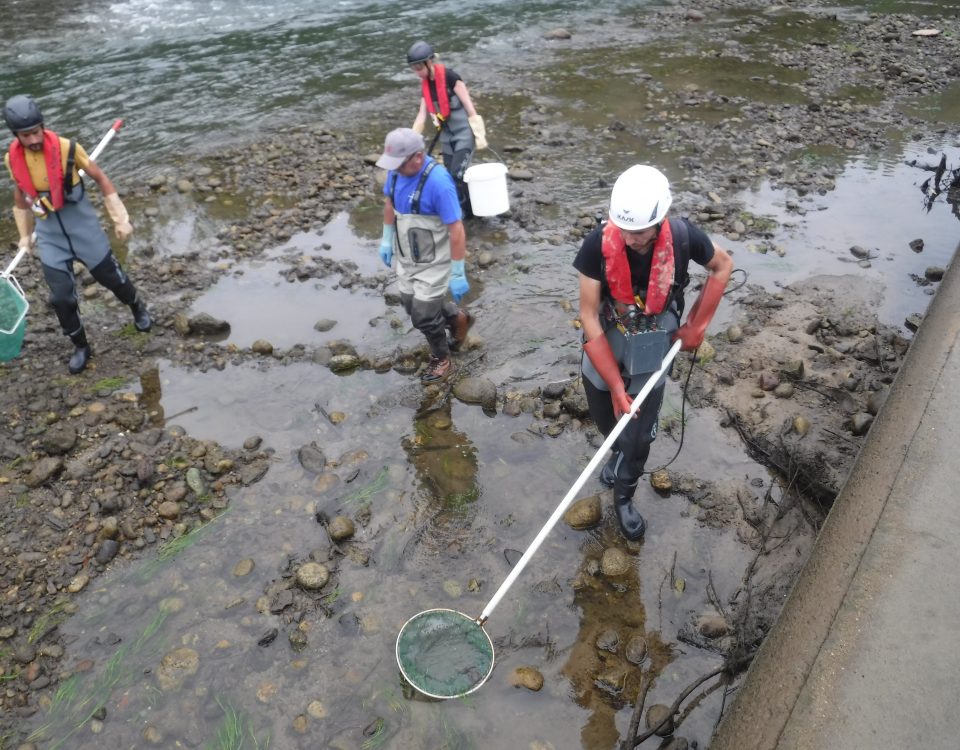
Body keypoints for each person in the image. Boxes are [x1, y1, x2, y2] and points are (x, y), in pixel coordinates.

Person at [574, 165, 733, 540]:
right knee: (603, 410)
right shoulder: (597, 244)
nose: (630, 239)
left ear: (660, 219)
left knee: (640, 434)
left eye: (640, 232)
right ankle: (616, 450)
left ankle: (624, 495)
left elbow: (722, 266)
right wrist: (614, 385)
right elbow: (587, 315)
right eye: (624, 231)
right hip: (609, 328)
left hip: (656, 333)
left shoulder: (682, 236)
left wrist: (697, 324)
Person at [4, 94, 151, 374]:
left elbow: (101, 178)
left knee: (113, 280)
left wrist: (120, 219)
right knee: (61, 298)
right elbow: (20, 195)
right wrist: (25, 234)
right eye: (25, 135)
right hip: (49, 236)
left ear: (43, 127)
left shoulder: (67, 149)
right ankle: (81, 346)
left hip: (82, 228)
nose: (33, 139)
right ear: (16, 135)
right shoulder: (13, 159)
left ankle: (138, 308)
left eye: (36, 132)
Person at [377, 127, 473, 384]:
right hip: (407, 252)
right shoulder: (396, 173)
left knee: (423, 316)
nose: (394, 169)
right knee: (410, 303)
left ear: (417, 157)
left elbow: (457, 229)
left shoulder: (439, 183)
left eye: (399, 164)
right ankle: (457, 317)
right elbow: (390, 203)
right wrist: (386, 238)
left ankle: (441, 358)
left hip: (436, 259)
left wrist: (457, 271)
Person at [407, 40, 487, 217]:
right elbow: (421, 116)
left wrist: (479, 133)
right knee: (450, 178)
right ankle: (467, 212)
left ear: (430, 62)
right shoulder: (425, 86)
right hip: (446, 139)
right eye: (414, 69)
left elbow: (469, 106)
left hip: (464, 135)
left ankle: (468, 213)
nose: (417, 72)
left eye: (419, 67)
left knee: (457, 174)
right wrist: (410, 140)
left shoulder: (451, 78)